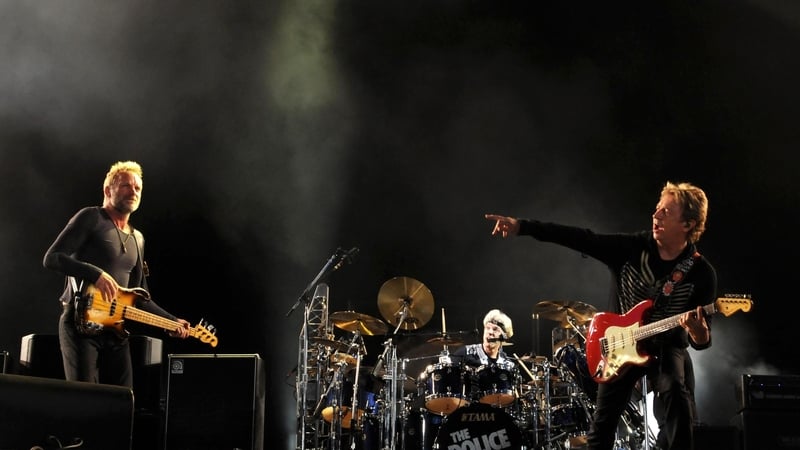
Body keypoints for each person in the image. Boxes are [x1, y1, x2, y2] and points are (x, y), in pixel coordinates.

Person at [485, 181, 716, 450]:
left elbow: (702, 340)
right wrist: (522, 226)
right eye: (657, 209)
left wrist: (698, 332)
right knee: (602, 426)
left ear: (687, 224)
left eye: (666, 212)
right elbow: (580, 237)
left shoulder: (701, 273)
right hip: (618, 345)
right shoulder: (632, 248)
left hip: (666, 347)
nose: (656, 216)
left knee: (678, 398)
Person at [43, 160, 190, 387]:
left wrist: (171, 322)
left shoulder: (137, 238)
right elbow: (52, 258)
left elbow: (140, 299)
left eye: (138, 188)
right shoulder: (91, 217)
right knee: (85, 397)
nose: (133, 191)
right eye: (126, 186)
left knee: (122, 401)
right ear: (107, 190)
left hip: (116, 331)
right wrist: (95, 274)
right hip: (81, 322)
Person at [452, 309, 518, 407]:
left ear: (503, 337)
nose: (490, 332)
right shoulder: (465, 352)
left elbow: (513, 398)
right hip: (468, 411)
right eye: (487, 328)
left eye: (495, 329)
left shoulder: (508, 365)